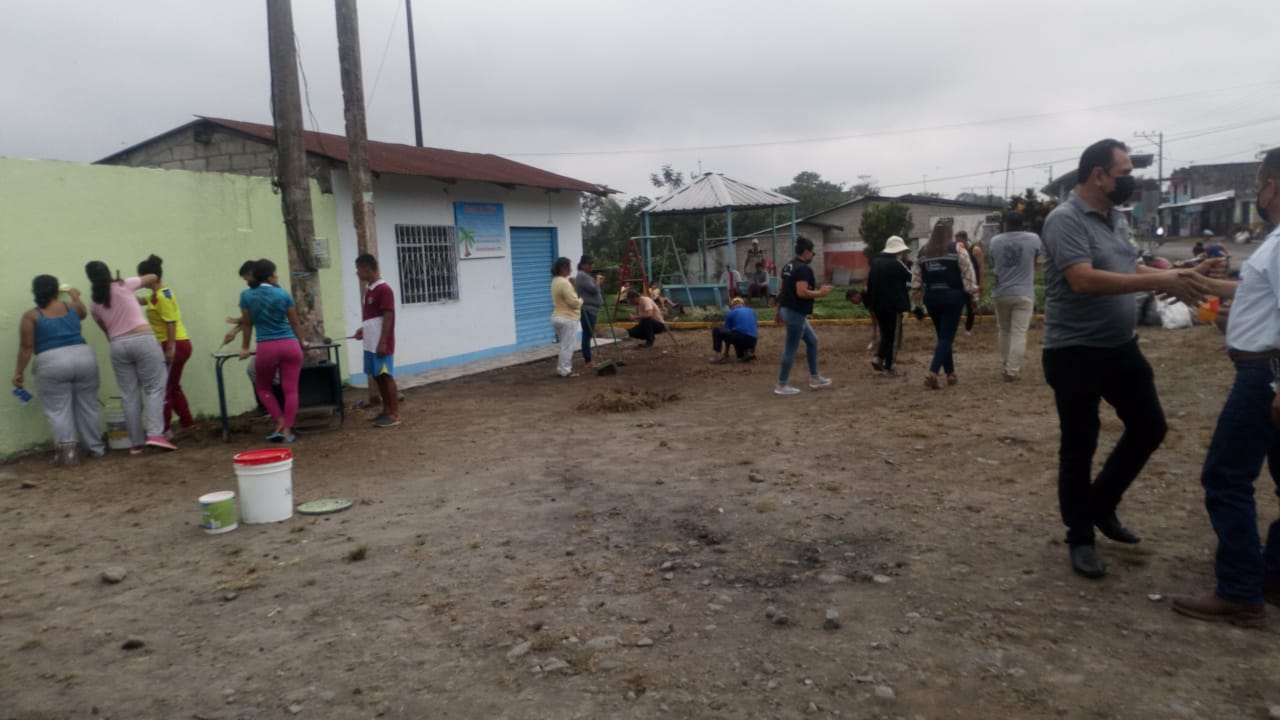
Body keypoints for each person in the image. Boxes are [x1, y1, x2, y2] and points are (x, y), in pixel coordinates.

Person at [1040, 138, 1212, 579]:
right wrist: (1160, 281)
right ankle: (1080, 536)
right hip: (1074, 351)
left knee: (1150, 426)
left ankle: (1100, 504)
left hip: (1120, 346)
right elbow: (1082, 279)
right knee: (1080, 443)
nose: (1130, 181)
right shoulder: (1064, 219)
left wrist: (1174, 276)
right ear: (1098, 175)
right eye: (1124, 173)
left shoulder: (1115, 218)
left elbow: (1127, 267)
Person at [1170, 148, 1280, 627]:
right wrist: (1221, 302)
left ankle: (1239, 591)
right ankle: (1271, 576)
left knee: (1226, 476)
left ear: (1272, 186)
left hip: (1265, 377)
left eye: (1259, 184)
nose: (1258, 193)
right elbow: (1265, 297)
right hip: (1264, 367)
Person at [84, 261, 176, 454]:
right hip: (143, 339)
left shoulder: (94, 304)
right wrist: (123, 281)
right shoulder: (124, 285)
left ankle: (136, 442)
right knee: (154, 388)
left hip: (118, 346)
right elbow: (152, 277)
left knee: (129, 394)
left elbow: (106, 330)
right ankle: (155, 434)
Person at [12, 276, 105, 462]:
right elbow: (83, 313)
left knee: (58, 410)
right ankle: (96, 448)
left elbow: (26, 347)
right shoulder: (71, 307)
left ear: (35, 291)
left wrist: (19, 372)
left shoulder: (31, 316)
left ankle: (68, 454)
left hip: (51, 362)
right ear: (56, 291)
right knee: (88, 405)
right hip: (84, 357)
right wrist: (74, 295)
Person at [236, 259, 306, 442]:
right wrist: (302, 340)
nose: (277, 275)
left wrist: (244, 347)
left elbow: (247, 324)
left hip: (266, 347)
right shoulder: (283, 294)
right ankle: (288, 431)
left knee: (262, 387)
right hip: (290, 345)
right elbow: (294, 322)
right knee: (291, 390)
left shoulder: (246, 296)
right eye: (275, 273)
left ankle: (279, 421)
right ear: (269, 276)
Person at [911, 221, 979, 389]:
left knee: (943, 336)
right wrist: (974, 298)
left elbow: (916, 280)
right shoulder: (958, 248)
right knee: (947, 337)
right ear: (950, 232)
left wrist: (916, 304)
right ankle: (933, 372)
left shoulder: (922, 251)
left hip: (932, 298)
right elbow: (968, 275)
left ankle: (950, 373)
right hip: (953, 297)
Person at [137, 254, 194, 437]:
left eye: (141, 277)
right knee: (173, 385)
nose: (140, 281)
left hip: (174, 344)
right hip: (175, 343)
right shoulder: (156, 295)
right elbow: (142, 301)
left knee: (165, 387)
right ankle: (187, 422)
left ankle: (165, 428)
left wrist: (170, 348)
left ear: (150, 277)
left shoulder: (163, 296)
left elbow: (171, 322)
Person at [774, 236, 833, 395]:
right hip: (795, 312)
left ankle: (815, 377)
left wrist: (778, 310)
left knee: (812, 340)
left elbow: (783, 290)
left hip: (788, 309)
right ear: (806, 252)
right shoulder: (803, 269)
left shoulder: (788, 266)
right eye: (812, 253)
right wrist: (820, 293)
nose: (813, 256)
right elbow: (801, 292)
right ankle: (781, 384)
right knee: (791, 348)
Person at [988, 213, 1042, 381]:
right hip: (1024, 291)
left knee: (1004, 330)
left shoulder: (995, 241)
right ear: (1022, 223)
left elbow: (994, 261)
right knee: (1019, 332)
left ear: (1005, 224)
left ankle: (1005, 364)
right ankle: (1012, 370)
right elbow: (1035, 259)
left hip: (1001, 291)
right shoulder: (1033, 239)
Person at [353, 254, 400, 427]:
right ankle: (386, 411)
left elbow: (388, 316)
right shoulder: (370, 290)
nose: (357, 273)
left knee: (386, 376)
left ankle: (394, 414)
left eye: (358, 270)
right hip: (371, 343)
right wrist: (363, 330)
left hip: (380, 343)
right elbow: (373, 318)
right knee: (377, 376)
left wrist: (383, 341)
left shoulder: (384, 289)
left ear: (366, 269)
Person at [866, 235, 912, 377]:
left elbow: (869, 283)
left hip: (877, 305)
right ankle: (890, 366)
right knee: (893, 336)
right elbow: (911, 276)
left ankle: (879, 357)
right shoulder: (896, 263)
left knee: (885, 333)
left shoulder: (876, 262)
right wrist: (906, 262)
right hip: (893, 306)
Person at [550, 256, 582, 377]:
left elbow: (564, 296)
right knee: (568, 346)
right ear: (563, 268)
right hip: (568, 318)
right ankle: (565, 370)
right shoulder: (564, 283)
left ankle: (561, 369)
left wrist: (572, 285)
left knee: (564, 345)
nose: (571, 270)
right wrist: (582, 299)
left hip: (557, 317)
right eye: (569, 267)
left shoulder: (555, 281)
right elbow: (573, 303)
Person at [574, 255, 605, 369]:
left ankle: (589, 357)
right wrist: (597, 281)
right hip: (587, 310)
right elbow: (593, 289)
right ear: (582, 265)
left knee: (588, 334)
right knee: (587, 335)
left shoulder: (585, 276)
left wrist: (597, 282)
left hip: (592, 309)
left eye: (592, 264)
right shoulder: (582, 276)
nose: (591, 266)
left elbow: (593, 288)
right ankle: (588, 360)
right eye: (589, 264)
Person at [710, 297, 758, 363]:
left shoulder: (731, 313)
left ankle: (718, 357)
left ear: (732, 306)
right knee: (740, 354)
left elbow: (727, 331)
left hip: (740, 337)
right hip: (753, 340)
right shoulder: (752, 311)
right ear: (743, 304)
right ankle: (747, 352)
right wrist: (753, 350)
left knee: (716, 330)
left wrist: (726, 353)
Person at [954, 230, 982, 332]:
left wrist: (980, 283)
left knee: (971, 307)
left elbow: (980, 267)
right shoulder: (957, 251)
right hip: (960, 284)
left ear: (965, 239)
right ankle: (956, 325)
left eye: (959, 240)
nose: (957, 242)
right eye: (956, 240)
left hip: (972, 283)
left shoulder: (974, 250)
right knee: (957, 306)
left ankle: (968, 329)